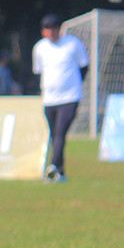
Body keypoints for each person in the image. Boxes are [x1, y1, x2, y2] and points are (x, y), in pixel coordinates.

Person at [32, 14, 89, 182]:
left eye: (54, 29)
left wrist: (74, 85)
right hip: (50, 98)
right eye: (48, 29)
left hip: (70, 96)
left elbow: (84, 67)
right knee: (55, 133)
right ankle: (61, 172)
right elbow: (38, 72)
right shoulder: (39, 48)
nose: (52, 33)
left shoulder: (73, 44)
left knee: (60, 131)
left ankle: (53, 166)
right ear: (43, 31)